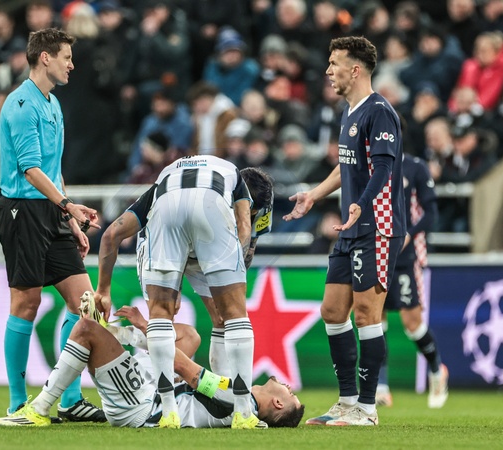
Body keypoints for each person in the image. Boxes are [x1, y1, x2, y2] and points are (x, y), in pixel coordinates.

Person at [284, 36, 407, 426]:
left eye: (334, 63)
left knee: (368, 313)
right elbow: (347, 165)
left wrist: (361, 203)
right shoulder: (349, 112)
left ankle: (367, 409)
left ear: (355, 70)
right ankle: (347, 400)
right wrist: (314, 195)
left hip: (377, 226)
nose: (328, 70)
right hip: (351, 227)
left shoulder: (379, 112)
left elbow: (383, 168)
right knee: (333, 311)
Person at [0, 28, 105, 423]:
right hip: (21, 211)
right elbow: (30, 169)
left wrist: (68, 217)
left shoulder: (53, 104)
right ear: (45, 57)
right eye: (66, 57)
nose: (71, 65)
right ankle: (16, 403)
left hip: (51, 211)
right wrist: (68, 206)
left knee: (86, 303)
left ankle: (69, 399)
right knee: (26, 304)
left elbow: (53, 169)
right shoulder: (22, 104)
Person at [101, 153, 259, 429]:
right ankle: (242, 411)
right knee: (233, 314)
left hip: (166, 213)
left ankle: (168, 412)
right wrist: (231, 266)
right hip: (212, 208)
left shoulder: (162, 182)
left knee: (162, 315)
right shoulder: (233, 175)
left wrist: (103, 290)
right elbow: (244, 227)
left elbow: (110, 235)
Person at [0, 308, 305, 428]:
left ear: (278, 403)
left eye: (291, 394)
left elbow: (182, 366)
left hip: (141, 407)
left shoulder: (238, 400)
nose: (290, 387)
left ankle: (38, 410)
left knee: (86, 329)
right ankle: (113, 336)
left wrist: (145, 329)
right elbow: (184, 367)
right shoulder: (241, 402)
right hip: (153, 391)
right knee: (189, 336)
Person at [375, 153, 449, 409]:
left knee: (412, 324)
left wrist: (409, 234)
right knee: (374, 319)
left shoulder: (414, 167)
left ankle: (437, 370)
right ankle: (381, 386)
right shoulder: (371, 163)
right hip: (376, 251)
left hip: (406, 256)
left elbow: (431, 212)